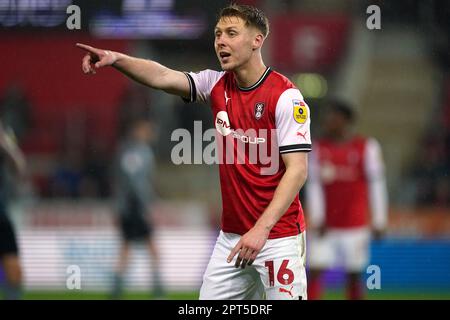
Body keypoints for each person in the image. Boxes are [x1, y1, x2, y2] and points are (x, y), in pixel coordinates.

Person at [77, 4, 311, 300]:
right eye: (217, 35)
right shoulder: (215, 85)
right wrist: (115, 59)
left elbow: (298, 170)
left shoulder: (286, 97)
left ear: (257, 40)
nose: (221, 41)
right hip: (232, 238)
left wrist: (261, 229)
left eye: (231, 33)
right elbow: (162, 76)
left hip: (278, 237)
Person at [305, 100, 388, 300]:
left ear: (346, 120)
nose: (328, 121)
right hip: (326, 225)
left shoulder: (366, 147)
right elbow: (314, 185)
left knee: (354, 275)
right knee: (314, 270)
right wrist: (317, 218)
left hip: (355, 224)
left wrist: (379, 220)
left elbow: (377, 185)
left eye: (333, 116)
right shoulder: (318, 148)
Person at [111, 118, 164, 299]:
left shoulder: (126, 150)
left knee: (127, 248)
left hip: (129, 207)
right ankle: (157, 289)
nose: (149, 134)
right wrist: (145, 207)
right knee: (149, 248)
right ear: (138, 131)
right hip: (134, 207)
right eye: (146, 130)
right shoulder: (136, 152)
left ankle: (116, 289)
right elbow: (136, 184)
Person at [0, 120, 26, 300]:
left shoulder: (4, 146)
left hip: (1, 215)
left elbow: (20, 167)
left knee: (14, 272)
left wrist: (5, 144)